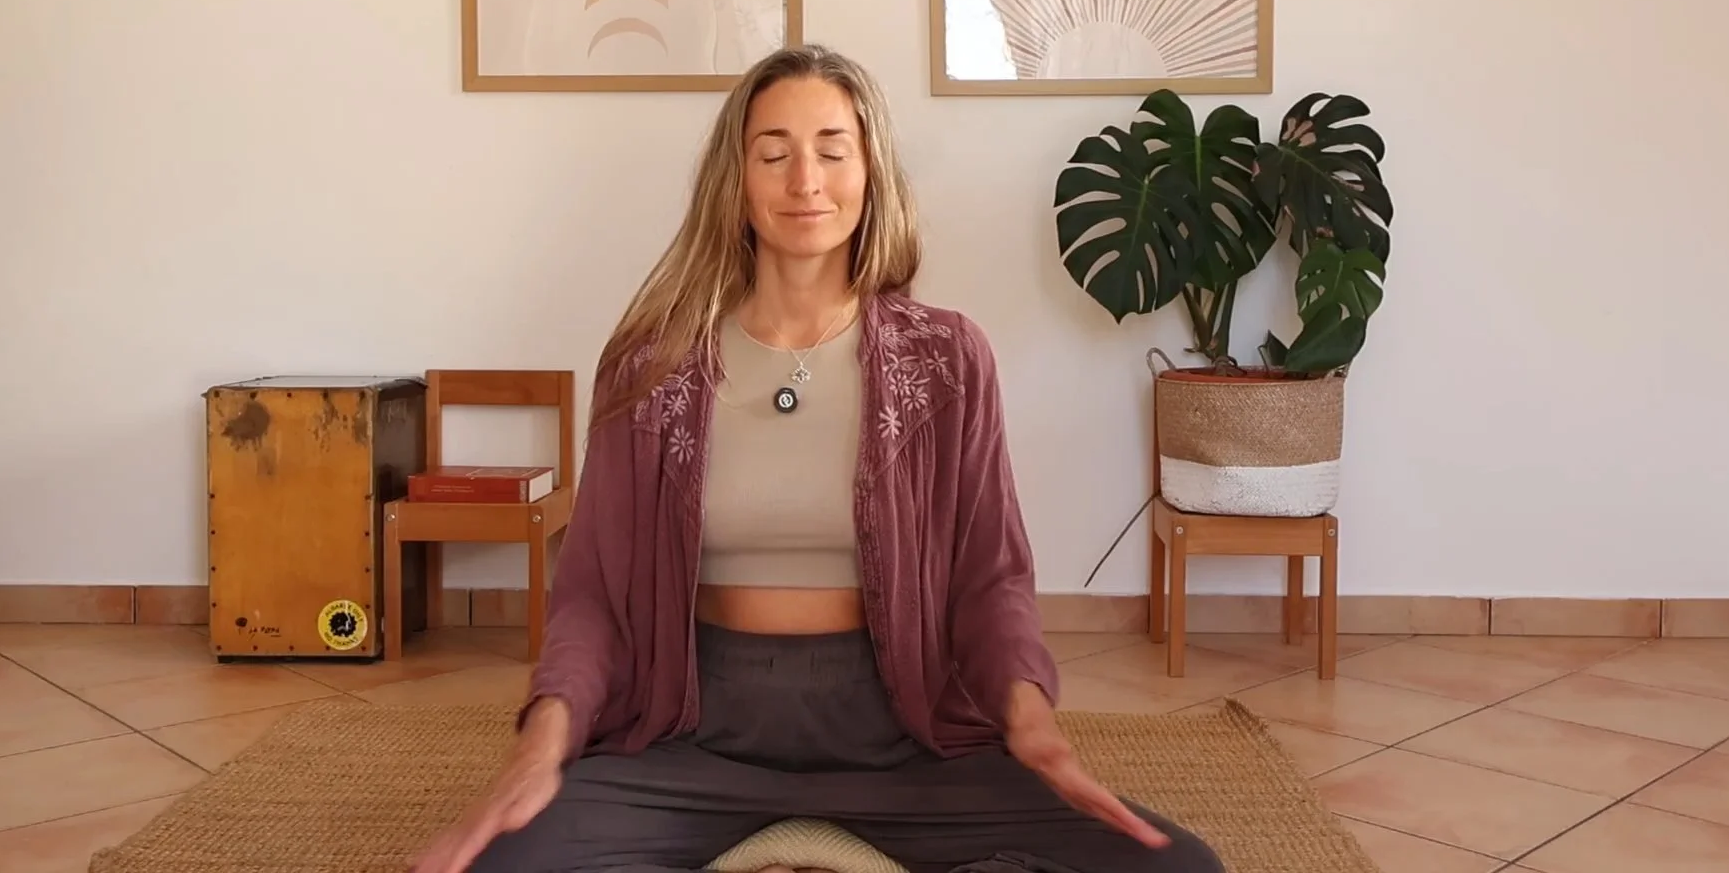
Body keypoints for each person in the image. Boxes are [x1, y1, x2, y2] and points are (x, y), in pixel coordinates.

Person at [409, 45, 1225, 873]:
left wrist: (1031, 723)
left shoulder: (947, 358)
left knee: (1175, 867)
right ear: (737, 180)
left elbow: (990, 579)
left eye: (832, 151)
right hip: (693, 729)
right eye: (773, 154)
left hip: (899, 731)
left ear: (871, 172)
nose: (805, 181)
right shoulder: (650, 366)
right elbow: (591, 594)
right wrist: (541, 748)